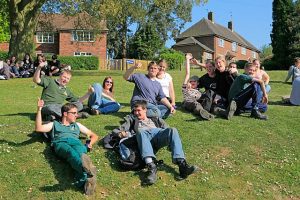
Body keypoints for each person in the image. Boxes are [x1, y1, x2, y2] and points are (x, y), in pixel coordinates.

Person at [116, 100, 198, 185]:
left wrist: (171, 141)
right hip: (144, 137)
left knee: (173, 130)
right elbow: (120, 130)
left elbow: (167, 129)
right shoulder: (132, 119)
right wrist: (121, 133)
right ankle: (151, 167)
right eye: (135, 111)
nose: (136, 113)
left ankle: (182, 165)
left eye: (138, 110)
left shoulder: (155, 118)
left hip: (157, 134)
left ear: (145, 110)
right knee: (141, 131)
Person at [35, 99, 99, 195]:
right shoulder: (55, 124)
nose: (76, 115)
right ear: (65, 114)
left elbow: (94, 135)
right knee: (71, 153)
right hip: (61, 143)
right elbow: (38, 128)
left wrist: (90, 143)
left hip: (77, 143)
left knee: (81, 154)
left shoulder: (77, 125)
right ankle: (87, 171)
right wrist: (39, 109)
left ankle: (84, 182)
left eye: (76, 113)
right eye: (74, 113)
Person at [181, 53, 215, 120]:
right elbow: (188, 73)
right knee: (196, 104)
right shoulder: (186, 87)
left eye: (194, 81)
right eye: (191, 81)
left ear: (198, 83)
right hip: (188, 102)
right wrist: (187, 59)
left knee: (207, 102)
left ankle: (210, 113)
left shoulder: (198, 91)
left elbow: (209, 68)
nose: (192, 82)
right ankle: (202, 112)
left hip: (198, 102)